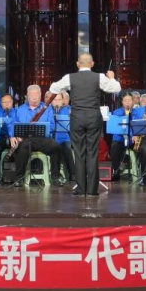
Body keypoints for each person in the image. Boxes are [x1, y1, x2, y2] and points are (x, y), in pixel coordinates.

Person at [48, 53, 121, 196]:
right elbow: (116, 88)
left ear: (77, 64)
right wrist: (112, 78)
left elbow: (53, 88)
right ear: (92, 64)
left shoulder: (70, 77)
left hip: (77, 118)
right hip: (93, 117)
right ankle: (92, 190)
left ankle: (81, 189)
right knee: (92, 153)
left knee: (79, 153)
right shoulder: (99, 77)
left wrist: (66, 89)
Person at [9, 85, 61, 184]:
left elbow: (52, 125)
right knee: (21, 150)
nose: (34, 96)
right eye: (32, 94)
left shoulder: (47, 108)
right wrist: (12, 136)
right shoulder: (20, 109)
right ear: (27, 95)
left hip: (43, 139)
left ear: (40, 95)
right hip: (26, 139)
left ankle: (55, 177)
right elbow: (12, 124)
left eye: (36, 94)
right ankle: (19, 178)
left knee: (56, 147)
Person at [109, 91, 136, 180]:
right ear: (122, 102)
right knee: (114, 146)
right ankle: (116, 171)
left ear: (133, 101)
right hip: (120, 139)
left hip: (133, 139)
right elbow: (114, 129)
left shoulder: (137, 112)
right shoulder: (116, 112)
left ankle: (138, 171)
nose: (127, 102)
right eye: (125, 100)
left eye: (129, 100)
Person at [51, 93, 75, 182]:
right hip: (51, 138)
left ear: (63, 101)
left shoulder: (68, 111)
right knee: (55, 148)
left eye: (59, 100)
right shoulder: (47, 111)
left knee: (67, 149)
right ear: (51, 101)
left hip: (64, 137)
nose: (57, 102)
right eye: (55, 100)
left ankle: (72, 174)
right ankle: (56, 175)